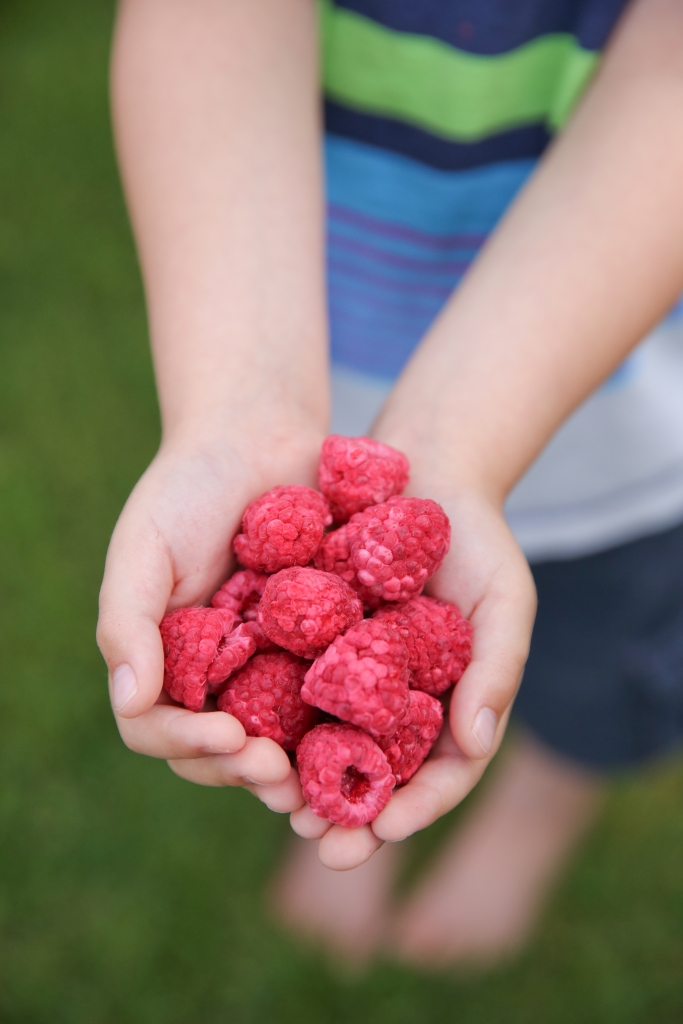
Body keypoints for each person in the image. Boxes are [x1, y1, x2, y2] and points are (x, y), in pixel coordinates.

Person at [97, 0, 683, 967]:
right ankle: (365, 806)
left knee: (608, 657)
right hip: (318, 315)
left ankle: (545, 803)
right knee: (502, 675)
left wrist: (458, 441)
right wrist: (236, 407)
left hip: (630, 403)